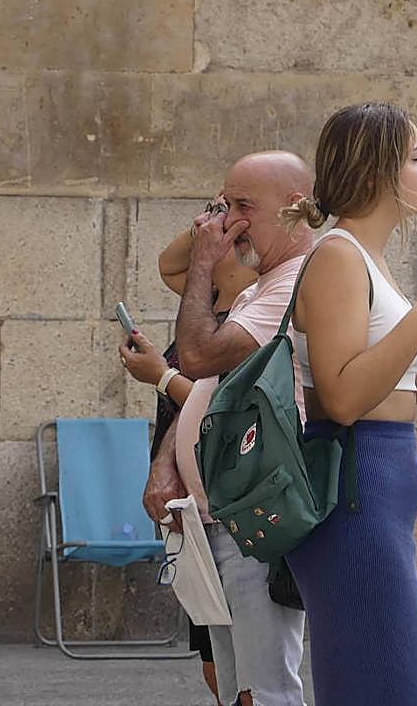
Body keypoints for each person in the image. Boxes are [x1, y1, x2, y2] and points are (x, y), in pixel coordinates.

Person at [279, 102, 417, 706]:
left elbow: (394, 391)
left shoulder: (362, 257)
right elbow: (342, 399)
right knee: (396, 685)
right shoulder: (339, 256)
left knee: (373, 682)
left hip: (376, 479)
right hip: (357, 480)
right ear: (376, 173)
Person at [158, 151, 315, 706]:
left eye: (243, 206)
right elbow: (206, 393)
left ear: (296, 208)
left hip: (255, 517)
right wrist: (168, 462)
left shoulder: (295, 282)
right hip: (223, 515)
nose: (230, 222)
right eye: (225, 206)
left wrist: (205, 260)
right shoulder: (259, 283)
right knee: (234, 688)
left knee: (266, 688)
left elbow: (196, 356)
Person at [121, 196, 258, 703]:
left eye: (217, 230)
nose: (202, 236)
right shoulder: (210, 298)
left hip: (225, 497)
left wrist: (162, 377)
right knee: (212, 657)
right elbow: (169, 263)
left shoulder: (253, 308)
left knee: (248, 664)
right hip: (190, 499)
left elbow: (226, 405)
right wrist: (211, 220)